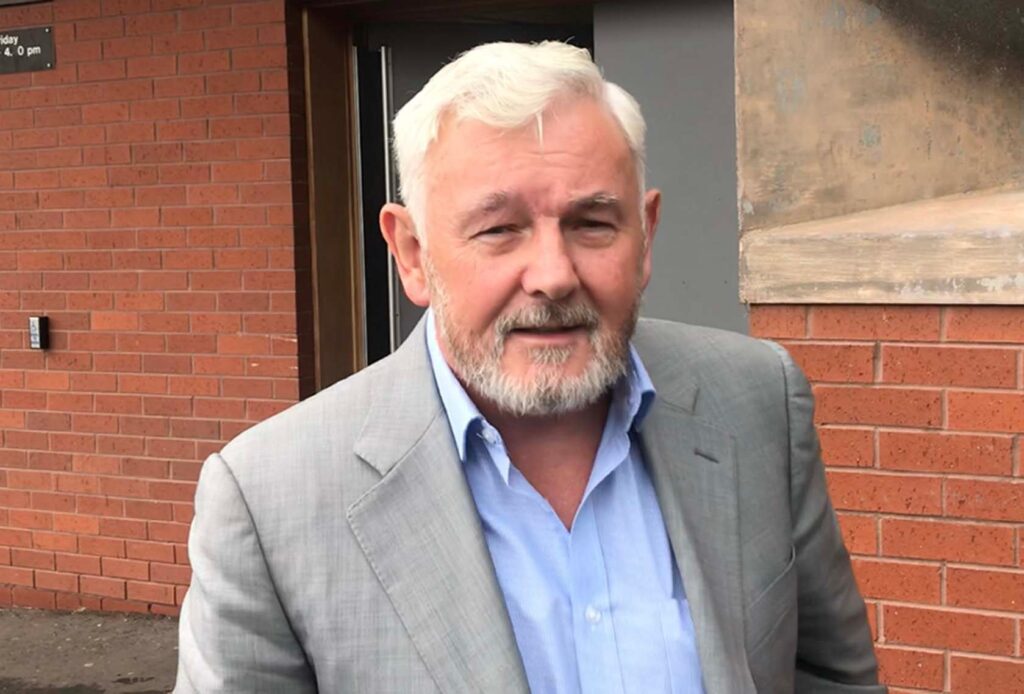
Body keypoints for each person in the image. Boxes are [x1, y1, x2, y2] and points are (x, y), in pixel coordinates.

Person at [175, 42, 883, 694]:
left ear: (645, 236)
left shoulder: (756, 400)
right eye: (498, 229)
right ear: (412, 254)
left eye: (591, 223)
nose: (552, 275)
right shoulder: (269, 498)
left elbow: (830, 678)